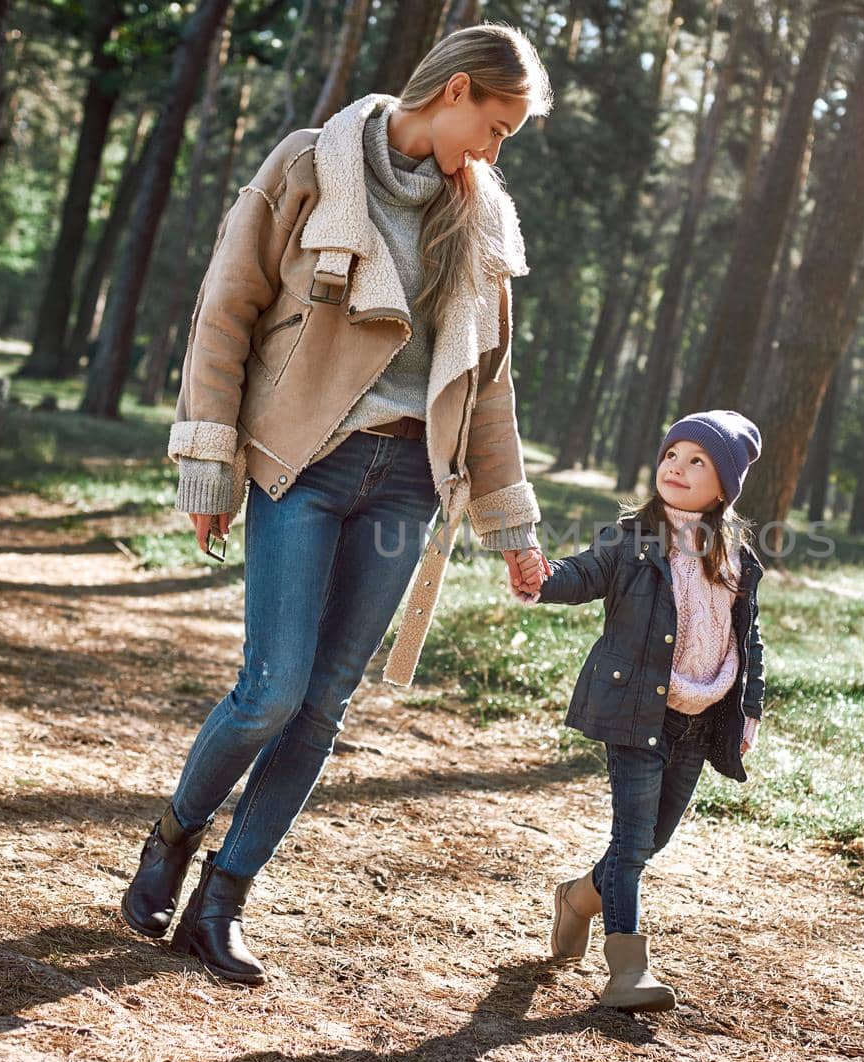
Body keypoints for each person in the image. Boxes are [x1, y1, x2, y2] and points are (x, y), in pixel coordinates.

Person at [119, 25, 556, 987]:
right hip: (301, 463)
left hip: (407, 482)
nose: (495, 150)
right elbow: (226, 309)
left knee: (322, 708)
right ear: (455, 91)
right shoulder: (310, 164)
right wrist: (208, 464)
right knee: (271, 690)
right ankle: (173, 836)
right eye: (497, 125)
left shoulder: (480, 219)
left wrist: (513, 528)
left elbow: (489, 384)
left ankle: (222, 903)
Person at [530, 410, 767, 1011]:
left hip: (703, 715)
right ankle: (627, 969)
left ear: (725, 486)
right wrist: (540, 575)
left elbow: (748, 638)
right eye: (671, 455)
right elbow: (578, 575)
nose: (677, 469)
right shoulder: (630, 540)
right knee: (632, 842)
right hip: (640, 711)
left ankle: (579, 898)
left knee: (653, 840)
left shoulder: (735, 553)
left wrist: (749, 709)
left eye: (698, 462)